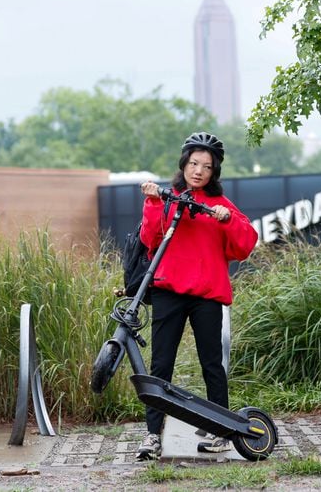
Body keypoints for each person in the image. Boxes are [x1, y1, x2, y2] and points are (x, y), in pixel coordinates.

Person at [135, 132, 258, 460]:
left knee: (212, 365)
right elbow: (150, 239)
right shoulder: (169, 197)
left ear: (214, 171)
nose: (199, 170)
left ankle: (220, 432)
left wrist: (228, 220)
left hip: (206, 295)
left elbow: (246, 244)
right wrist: (152, 201)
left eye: (206, 166)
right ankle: (152, 436)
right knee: (160, 365)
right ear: (184, 164)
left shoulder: (220, 206)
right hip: (168, 291)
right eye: (193, 163)